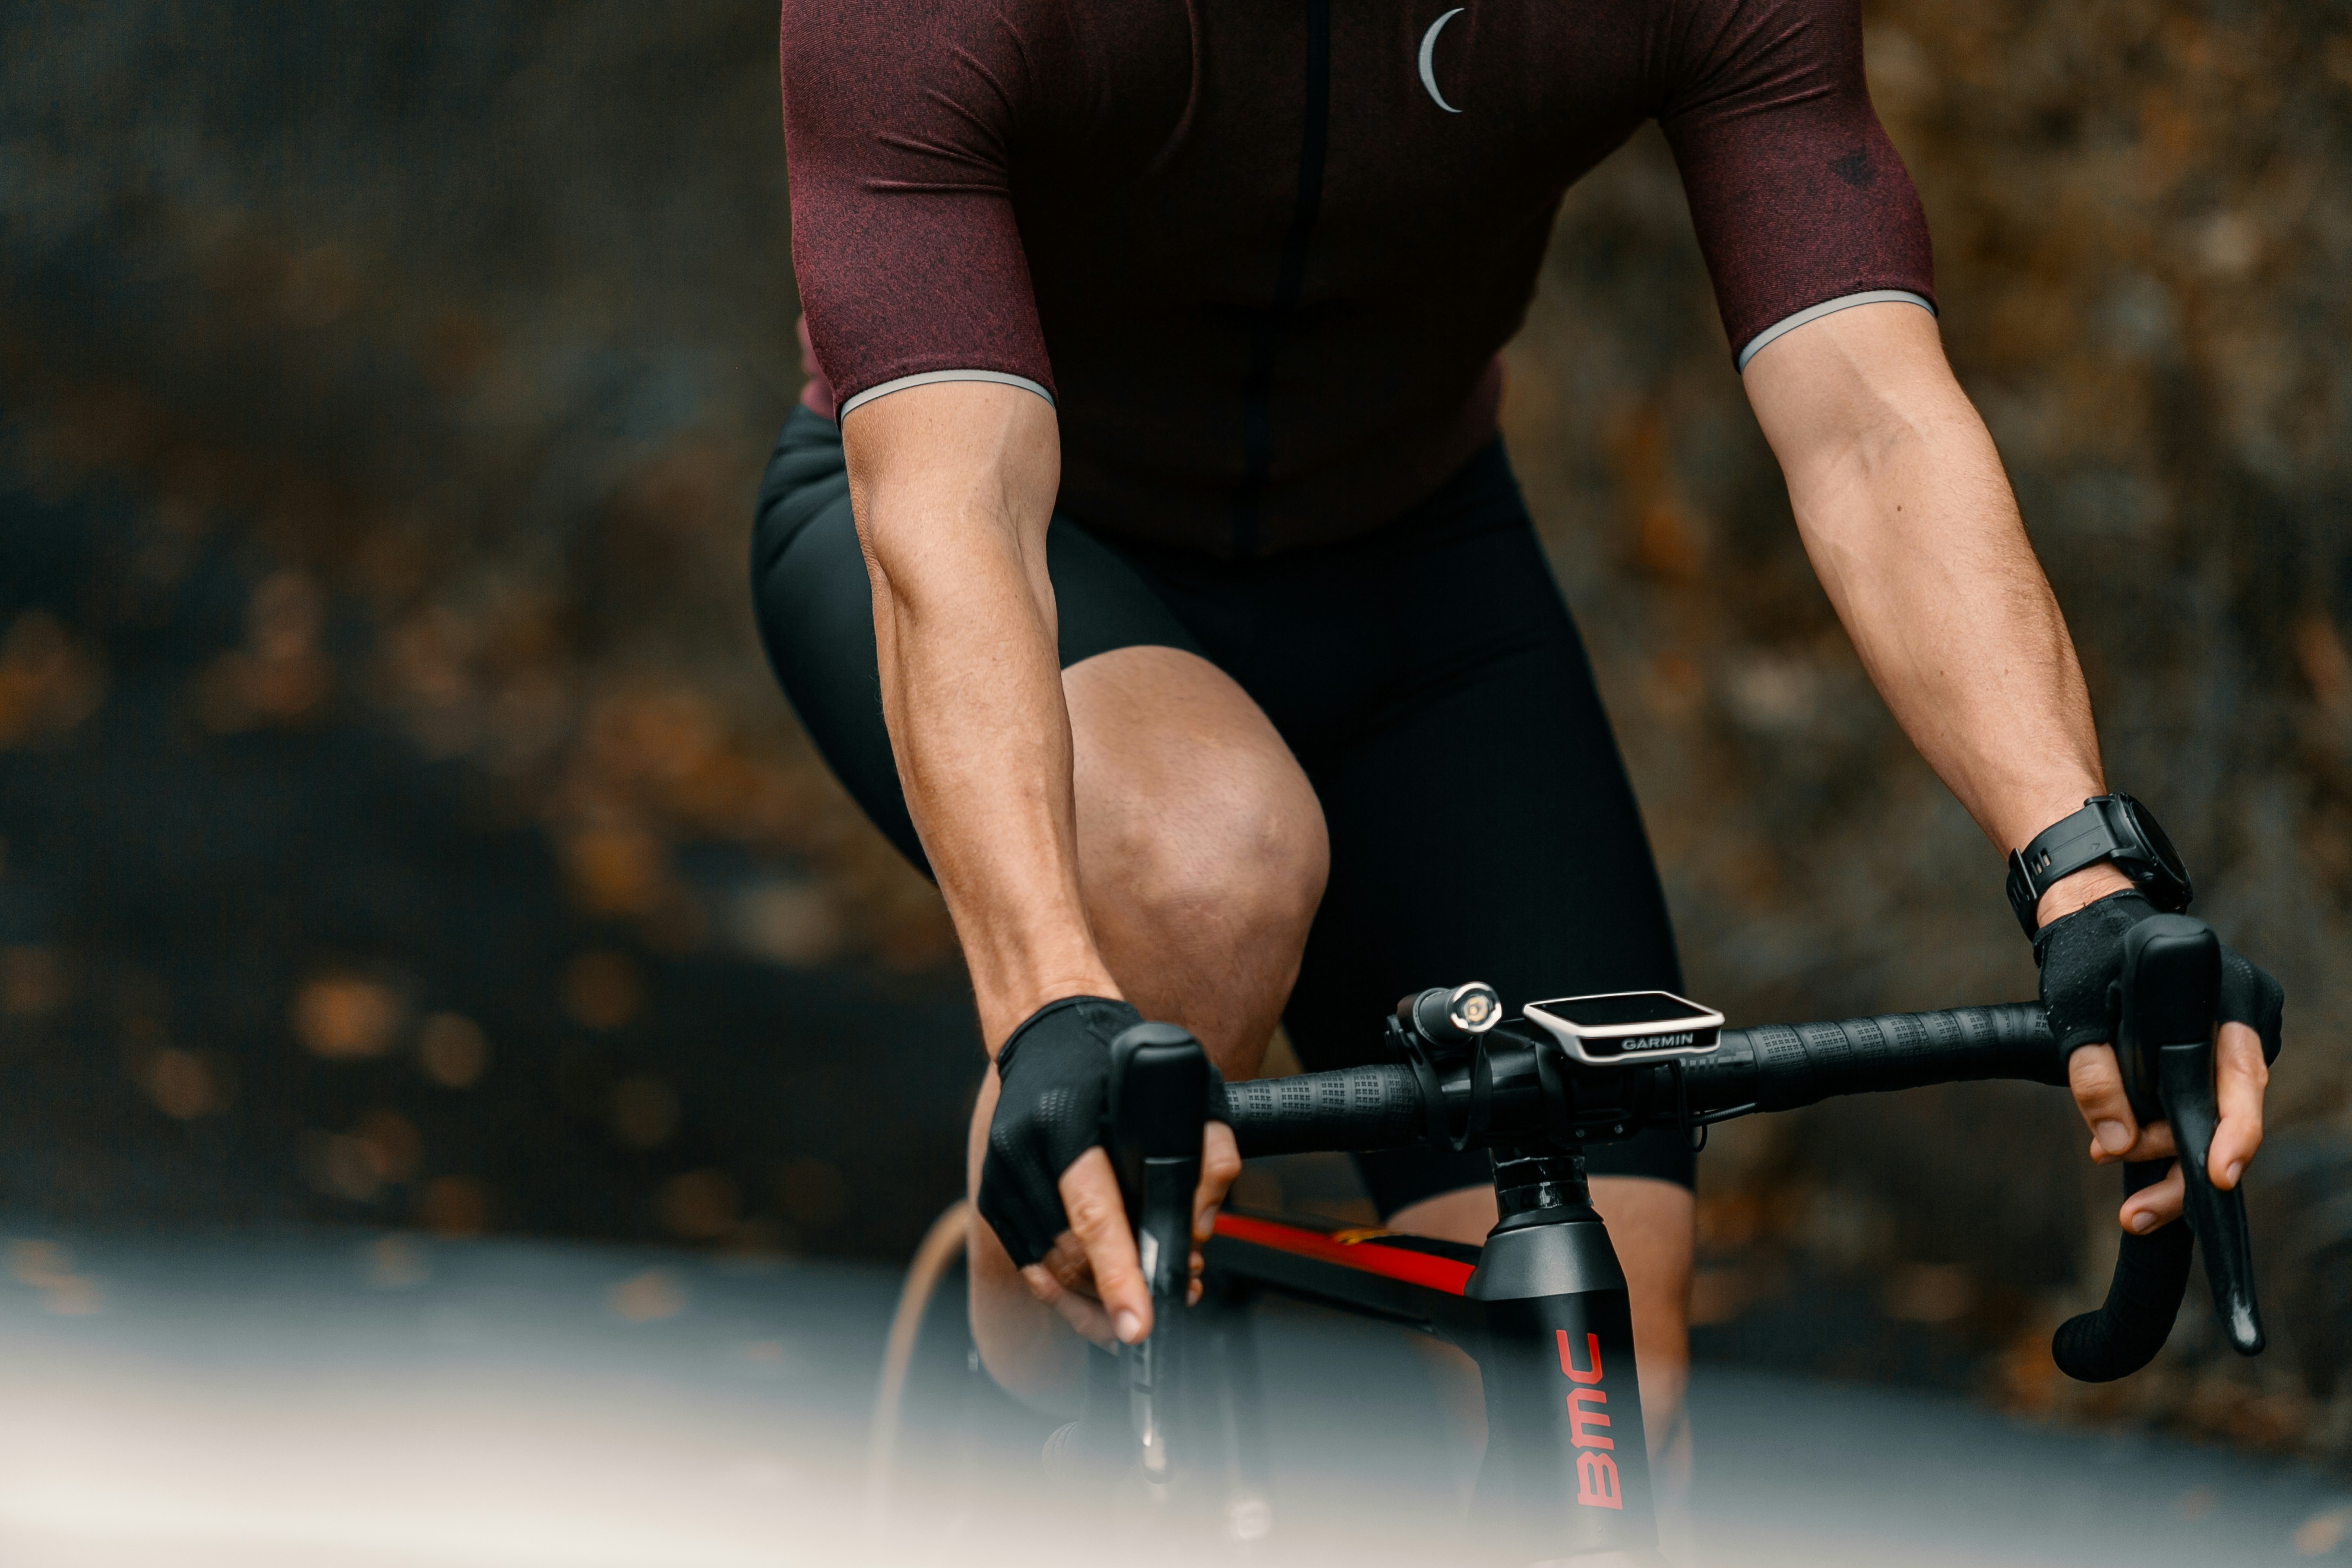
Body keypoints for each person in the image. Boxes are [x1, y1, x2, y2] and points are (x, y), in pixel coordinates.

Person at [754, 0, 2279, 1478]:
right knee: (1205, 859)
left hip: (1417, 567)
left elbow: (1871, 415)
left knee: (1607, 1360)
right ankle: (1006, 1425)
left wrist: (2084, 869)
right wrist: (1041, 1007)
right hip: (1011, 538)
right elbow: (954, 518)